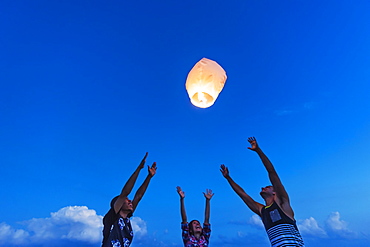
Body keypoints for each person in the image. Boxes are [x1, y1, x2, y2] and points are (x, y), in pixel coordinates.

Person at [220, 137, 304, 247]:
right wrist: (228, 178)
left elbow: (272, 172)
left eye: (267, 187)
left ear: (275, 192)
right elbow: (242, 194)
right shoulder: (262, 210)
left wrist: (258, 151)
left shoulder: (282, 204)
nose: (263, 188)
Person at [102, 152, 157, 247]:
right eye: (126, 200)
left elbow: (138, 196)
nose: (130, 201)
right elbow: (125, 192)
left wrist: (149, 177)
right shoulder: (112, 217)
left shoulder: (126, 220)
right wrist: (139, 169)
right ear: (118, 204)